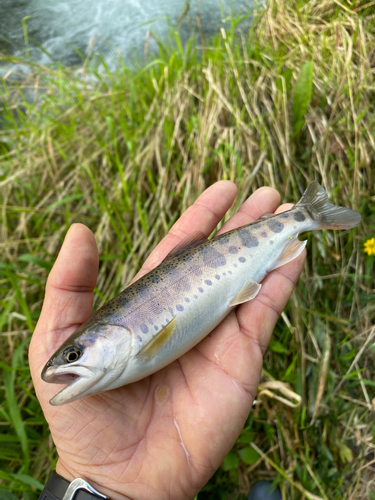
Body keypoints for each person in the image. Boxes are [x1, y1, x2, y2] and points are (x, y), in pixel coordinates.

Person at [29, 181, 305, 500]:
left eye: (74, 354)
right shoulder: (118, 371)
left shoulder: (130, 360)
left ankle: (302, 217)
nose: (59, 373)